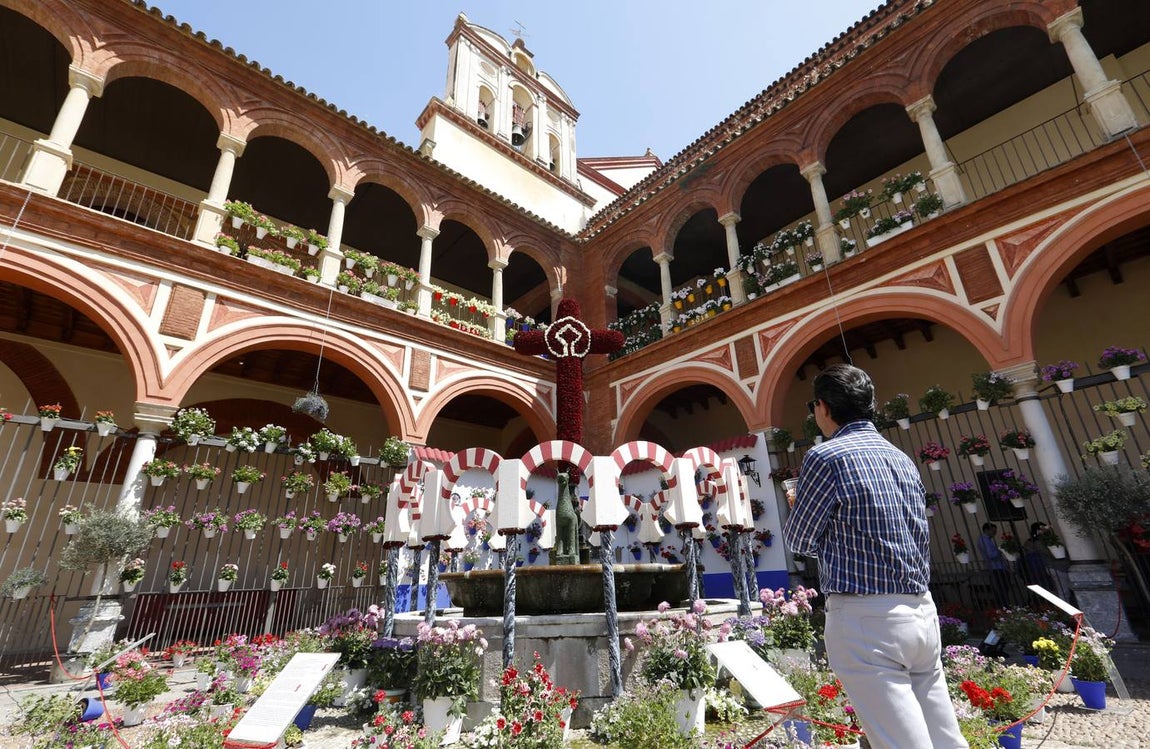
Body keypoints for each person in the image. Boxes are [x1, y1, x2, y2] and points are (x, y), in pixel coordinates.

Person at [783, 364, 968, 749]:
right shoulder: (901, 458)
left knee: (901, 743)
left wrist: (800, 506)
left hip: (867, 618)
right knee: (945, 736)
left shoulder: (825, 456)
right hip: (920, 611)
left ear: (823, 407)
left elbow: (800, 539)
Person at [1024, 521, 1072, 602]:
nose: (1045, 530)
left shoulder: (1049, 540)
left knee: (1065, 590)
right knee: (1063, 592)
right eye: (1042, 529)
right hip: (1055, 567)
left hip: (1062, 566)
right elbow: (1048, 553)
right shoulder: (1038, 542)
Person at [976, 522, 1012, 605]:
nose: (994, 533)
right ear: (986, 530)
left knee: (1003, 590)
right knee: (1001, 590)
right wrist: (1001, 549)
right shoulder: (984, 540)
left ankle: (1004, 607)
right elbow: (991, 555)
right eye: (993, 531)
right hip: (996, 568)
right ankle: (1004, 607)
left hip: (998, 568)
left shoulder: (987, 540)